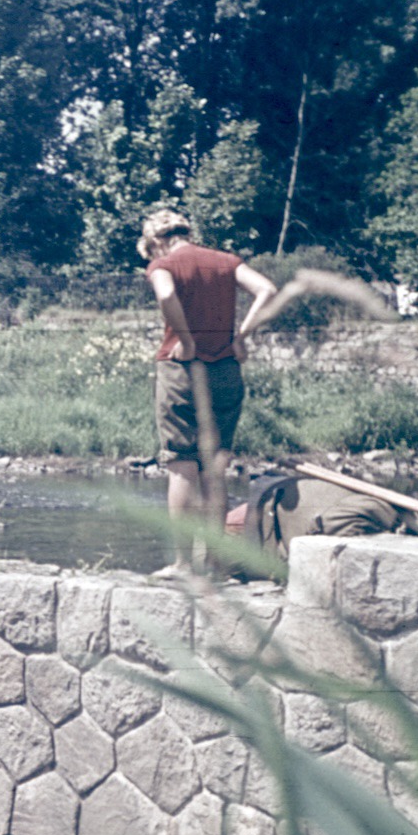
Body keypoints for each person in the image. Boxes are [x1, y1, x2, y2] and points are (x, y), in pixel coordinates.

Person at [138, 208, 277, 575]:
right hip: (226, 370)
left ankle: (184, 563)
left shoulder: (163, 266)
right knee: (215, 469)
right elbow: (267, 290)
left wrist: (184, 338)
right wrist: (241, 336)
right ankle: (214, 563)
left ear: (156, 241)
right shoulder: (225, 261)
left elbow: (166, 295)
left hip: (182, 369)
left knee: (182, 467)